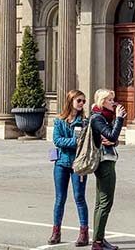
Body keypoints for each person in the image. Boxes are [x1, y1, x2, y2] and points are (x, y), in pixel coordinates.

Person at [50, 90, 91, 246]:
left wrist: (71, 142)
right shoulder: (59, 121)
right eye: (79, 100)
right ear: (70, 101)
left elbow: (84, 143)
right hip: (61, 163)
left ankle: (84, 233)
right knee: (60, 199)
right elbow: (57, 140)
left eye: (83, 101)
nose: (81, 104)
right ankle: (56, 232)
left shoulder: (84, 122)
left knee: (79, 197)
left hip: (78, 164)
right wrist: (74, 141)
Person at [89, 89, 126, 250]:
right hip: (104, 162)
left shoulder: (104, 117)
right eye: (110, 100)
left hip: (107, 159)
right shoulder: (98, 118)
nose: (114, 103)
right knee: (105, 202)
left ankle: (99, 238)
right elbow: (111, 135)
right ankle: (97, 242)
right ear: (102, 101)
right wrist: (119, 119)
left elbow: (111, 139)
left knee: (101, 202)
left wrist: (113, 140)